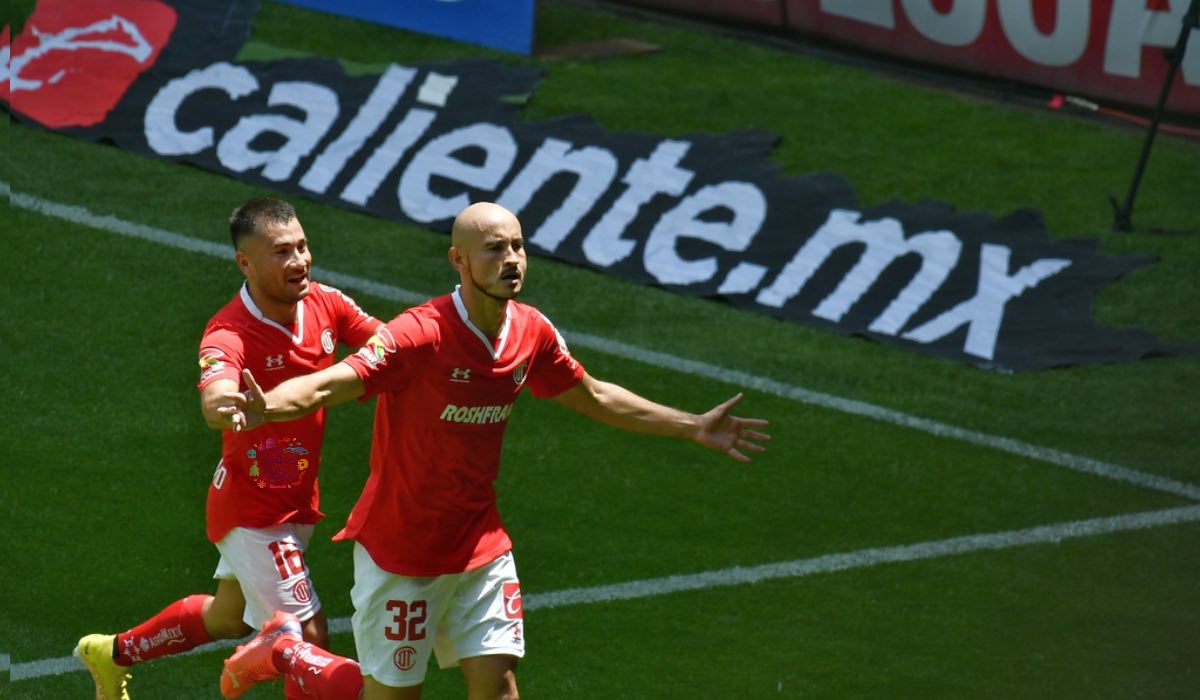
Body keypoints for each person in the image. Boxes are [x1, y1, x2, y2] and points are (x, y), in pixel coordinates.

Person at [218, 202, 770, 700]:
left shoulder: (530, 331)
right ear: (459, 260)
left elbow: (596, 395)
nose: (512, 259)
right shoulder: (420, 333)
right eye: (495, 248)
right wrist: (267, 406)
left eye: (518, 245)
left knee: (500, 690)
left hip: (480, 543)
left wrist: (692, 425)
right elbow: (332, 381)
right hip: (402, 551)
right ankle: (283, 651)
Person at [74, 197, 382, 700]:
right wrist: (225, 405)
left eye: (303, 246)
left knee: (229, 616)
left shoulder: (329, 303)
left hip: (295, 499)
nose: (300, 261)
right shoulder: (228, 330)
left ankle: (110, 653)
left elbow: (387, 345)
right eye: (282, 252)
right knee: (308, 638)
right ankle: (254, 661)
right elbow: (216, 384)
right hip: (253, 509)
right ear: (246, 262)